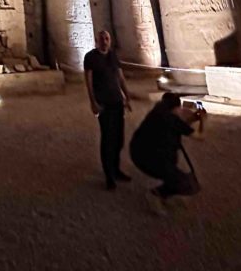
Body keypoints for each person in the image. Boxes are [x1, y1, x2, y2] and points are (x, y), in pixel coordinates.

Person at [130, 92, 203, 215]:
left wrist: (194, 118)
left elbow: (179, 127)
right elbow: (200, 136)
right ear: (176, 107)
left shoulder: (157, 113)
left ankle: (164, 194)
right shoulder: (171, 119)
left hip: (139, 154)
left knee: (175, 176)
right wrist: (203, 121)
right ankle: (156, 195)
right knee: (186, 184)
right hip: (153, 160)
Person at [83, 30, 133, 190]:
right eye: (101, 39)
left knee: (119, 138)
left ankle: (116, 169)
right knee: (107, 139)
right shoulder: (90, 57)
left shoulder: (112, 56)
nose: (104, 41)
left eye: (107, 38)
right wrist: (93, 102)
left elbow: (120, 77)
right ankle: (109, 176)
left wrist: (128, 96)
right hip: (103, 103)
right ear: (96, 41)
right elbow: (89, 81)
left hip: (117, 102)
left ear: (110, 41)